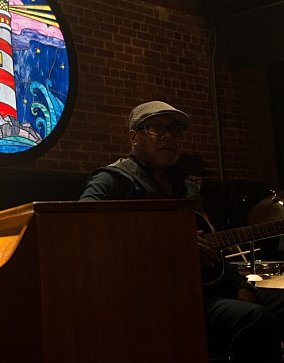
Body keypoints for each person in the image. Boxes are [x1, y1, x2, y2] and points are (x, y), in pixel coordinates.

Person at [79, 100, 284, 363]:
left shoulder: (187, 189)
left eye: (175, 130)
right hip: (155, 302)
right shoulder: (112, 180)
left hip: (203, 289)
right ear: (133, 137)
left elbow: (212, 248)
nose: (169, 136)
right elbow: (82, 228)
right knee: (256, 320)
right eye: (156, 128)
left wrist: (240, 286)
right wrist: (169, 242)